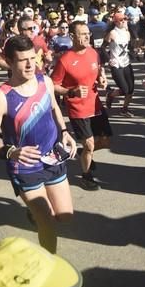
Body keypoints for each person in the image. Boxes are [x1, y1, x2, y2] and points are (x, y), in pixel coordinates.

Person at [0, 36, 76, 254]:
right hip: (25, 168)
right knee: (48, 221)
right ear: (9, 62)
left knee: (65, 216)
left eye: (33, 58)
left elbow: (54, 108)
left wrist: (64, 132)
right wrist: (11, 152)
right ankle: (49, 265)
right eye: (23, 60)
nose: (31, 64)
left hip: (53, 158)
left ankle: (33, 213)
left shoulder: (45, 82)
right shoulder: (1, 97)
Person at [51, 21, 111, 191]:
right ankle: (86, 176)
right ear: (72, 36)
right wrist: (71, 92)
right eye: (82, 33)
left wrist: (102, 79)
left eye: (88, 33)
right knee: (90, 144)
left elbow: (98, 69)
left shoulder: (93, 52)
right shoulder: (65, 60)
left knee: (105, 141)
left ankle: (81, 152)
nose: (87, 36)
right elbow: (53, 85)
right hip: (78, 108)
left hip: (95, 104)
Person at [105, 12, 135, 117]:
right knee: (124, 89)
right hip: (116, 64)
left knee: (131, 89)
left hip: (126, 63)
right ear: (116, 22)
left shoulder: (127, 33)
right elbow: (103, 48)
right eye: (122, 20)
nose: (124, 21)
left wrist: (135, 51)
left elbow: (129, 47)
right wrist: (109, 59)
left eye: (125, 19)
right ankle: (111, 95)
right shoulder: (112, 33)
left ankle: (124, 109)